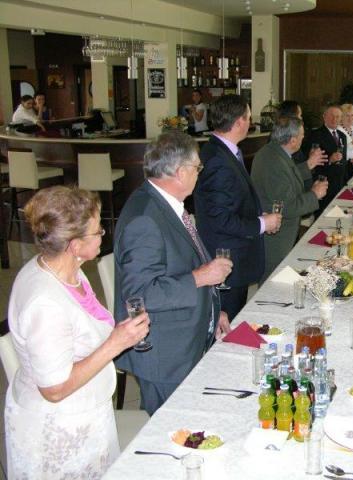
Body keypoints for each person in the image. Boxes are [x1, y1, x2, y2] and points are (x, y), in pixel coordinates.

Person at [5, 186, 150, 478]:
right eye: (97, 231)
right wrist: (115, 344)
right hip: (60, 431)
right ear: (74, 245)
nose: (103, 235)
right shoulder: (45, 303)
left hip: (86, 415)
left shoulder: (68, 269)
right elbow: (54, 389)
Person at [114, 131, 232, 415]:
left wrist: (212, 311)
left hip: (184, 337)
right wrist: (201, 277)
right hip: (165, 354)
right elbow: (140, 295)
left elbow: (178, 266)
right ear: (180, 172)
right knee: (176, 429)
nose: (199, 174)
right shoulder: (145, 218)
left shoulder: (166, 204)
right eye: (197, 168)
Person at [195, 94, 281, 321]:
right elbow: (220, 219)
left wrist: (259, 217)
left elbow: (233, 203)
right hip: (227, 259)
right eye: (249, 117)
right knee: (227, 324)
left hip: (235, 256)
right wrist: (262, 224)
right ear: (239, 121)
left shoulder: (224, 151)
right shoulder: (217, 160)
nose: (250, 122)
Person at [251, 116, 328, 280]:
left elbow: (287, 177)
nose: (303, 138)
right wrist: (314, 194)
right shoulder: (273, 162)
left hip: (280, 234)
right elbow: (288, 206)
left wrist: (308, 165)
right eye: (301, 135)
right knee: (273, 282)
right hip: (276, 239)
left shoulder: (275, 152)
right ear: (293, 140)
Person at [303, 104, 348, 212]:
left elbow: (343, 161)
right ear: (324, 116)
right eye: (331, 115)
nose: (334, 119)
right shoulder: (315, 135)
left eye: (337, 116)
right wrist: (330, 160)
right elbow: (311, 163)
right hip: (324, 185)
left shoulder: (342, 136)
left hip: (339, 184)